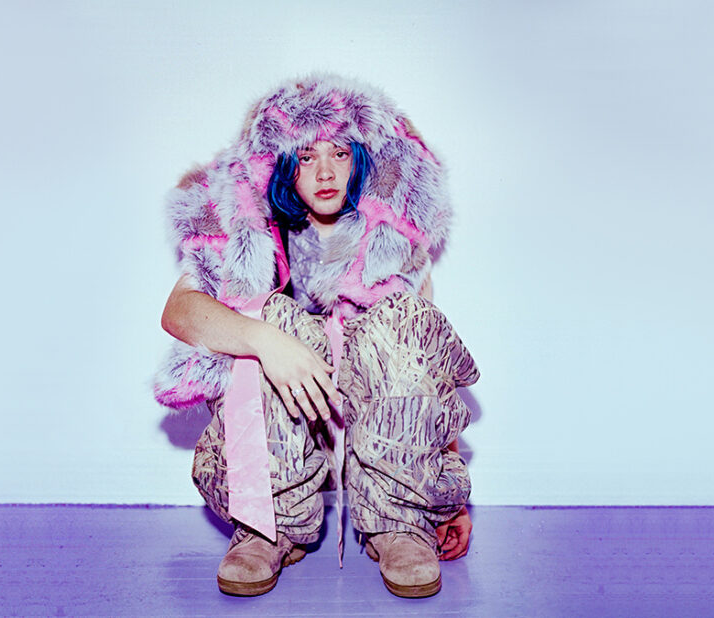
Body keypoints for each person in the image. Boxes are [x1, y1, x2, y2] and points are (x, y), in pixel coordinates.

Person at [155, 74, 479, 598]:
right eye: (306, 156)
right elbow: (180, 311)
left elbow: (425, 378)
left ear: (362, 162)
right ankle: (267, 527)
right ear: (282, 165)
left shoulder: (389, 247)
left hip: (372, 449)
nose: (325, 171)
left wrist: (449, 499)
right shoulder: (254, 237)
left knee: (405, 317)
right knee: (272, 316)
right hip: (274, 449)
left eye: (341, 153)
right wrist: (268, 340)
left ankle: (401, 523)